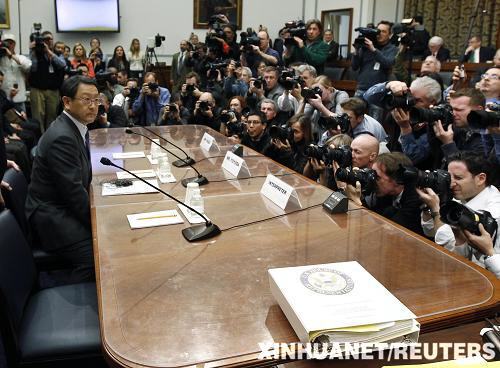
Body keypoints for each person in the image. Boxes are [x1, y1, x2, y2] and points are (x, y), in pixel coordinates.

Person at [26, 75, 99, 283]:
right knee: (97, 254)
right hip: (52, 216)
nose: (93, 106)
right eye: (86, 100)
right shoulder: (63, 137)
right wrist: (99, 224)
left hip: (62, 205)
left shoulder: (75, 128)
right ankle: (78, 306)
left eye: (96, 100)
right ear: (67, 102)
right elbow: (74, 196)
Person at [417, 151, 500, 277]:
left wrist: (436, 210)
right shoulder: (463, 195)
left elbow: (446, 246)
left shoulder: (494, 214)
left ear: (481, 178)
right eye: (450, 177)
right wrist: (427, 206)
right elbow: (429, 231)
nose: (451, 183)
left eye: (458, 178)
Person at [345, 152, 424, 235]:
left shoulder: (416, 197)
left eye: (377, 177)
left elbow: (386, 230)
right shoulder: (386, 192)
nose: (372, 180)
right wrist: (360, 197)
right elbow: (376, 219)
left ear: (397, 179)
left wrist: (357, 201)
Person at [29, 30, 66, 132]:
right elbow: (32, 68)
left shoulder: (57, 53)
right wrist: (32, 51)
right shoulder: (35, 52)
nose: (48, 41)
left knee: (52, 117)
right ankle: (39, 141)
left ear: (53, 40)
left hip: (53, 91)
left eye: (50, 39)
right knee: (38, 118)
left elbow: (62, 65)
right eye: (45, 39)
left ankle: (50, 139)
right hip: (37, 90)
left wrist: (48, 52)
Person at [0, 34, 32, 113]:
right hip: (4, 100)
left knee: (22, 123)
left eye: (11, 43)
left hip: (19, 98)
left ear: (14, 44)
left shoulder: (20, 57)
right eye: (6, 43)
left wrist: (11, 55)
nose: (8, 45)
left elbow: (28, 66)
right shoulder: (0, 59)